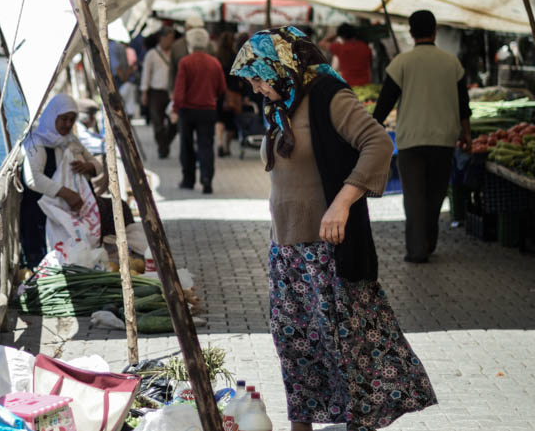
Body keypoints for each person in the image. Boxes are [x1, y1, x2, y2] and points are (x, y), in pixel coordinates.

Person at [231, 26, 436, 431]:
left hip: (325, 248)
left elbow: (378, 143)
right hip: (285, 248)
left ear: (280, 66)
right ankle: (301, 424)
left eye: (258, 78)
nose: (255, 89)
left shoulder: (328, 94)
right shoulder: (281, 105)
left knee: (344, 346)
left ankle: (357, 422)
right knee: (295, 344)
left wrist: (342, 203)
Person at [372, 10, 471, 264]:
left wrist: (369, 131)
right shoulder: (453, 63)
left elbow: (384, 104)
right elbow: (463, 105)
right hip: (444, 139)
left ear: (411, 32)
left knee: (414, 196)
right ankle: (429, 242)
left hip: (410, 141)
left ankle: (417, 250)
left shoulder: (401, 63)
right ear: (435, 30)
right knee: (436, 194)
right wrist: (467, 135)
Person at [20, 94, 132, 267]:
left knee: (121, 209)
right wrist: (66, 194)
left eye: (71, 120)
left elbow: (97, 165)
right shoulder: (36, 143)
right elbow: (33, 179)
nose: (67, 124)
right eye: (63, 119)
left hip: (78, 206)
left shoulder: (71, 141)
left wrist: (88, 167)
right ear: (52, 117)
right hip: (44, 210)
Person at [171, 26, 226, 194]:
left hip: (187, 110)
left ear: (190, 43)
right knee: (206, 145)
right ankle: (207, 178)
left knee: (186, 146)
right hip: (208, 110)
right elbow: (221, 89)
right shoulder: (214, 63)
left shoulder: (185, 62)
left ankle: (188, 180)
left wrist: (175, 107)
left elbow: (179, 89)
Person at [140, 26, 177, 158]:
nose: (170, 41)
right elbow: (146, 73)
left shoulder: (175, 53)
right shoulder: (152, 54)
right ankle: (163, 147)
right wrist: (144, 92)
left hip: (172, 92)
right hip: (156, 92)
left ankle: (164, 144)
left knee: (174, 122)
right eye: (168, 38)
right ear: (161, 38)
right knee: (157, 123)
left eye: (172, 39)